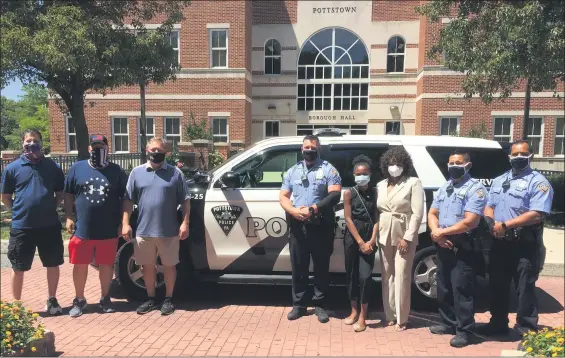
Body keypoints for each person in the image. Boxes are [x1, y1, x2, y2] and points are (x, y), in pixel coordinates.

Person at [477, 140, 553, 338]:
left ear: (531, 156)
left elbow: (537, 213)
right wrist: (491, 222)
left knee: (524, 287)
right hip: (499, 242)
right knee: (497, 285)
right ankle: (498, 323)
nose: (519, 158)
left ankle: (526, 329)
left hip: (524, 244)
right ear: (509, 156)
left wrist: (506, 225)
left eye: (523, 154)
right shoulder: (499, 179)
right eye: (515, 154)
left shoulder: (538, 182)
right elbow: (489, 205)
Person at [121, 137, 190, 315]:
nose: (156, 154)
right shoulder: (136, 173)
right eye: (153, 151)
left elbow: (185, 200)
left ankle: (168, 299)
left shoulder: (175, 174)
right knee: (147, 266)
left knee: (169, 265)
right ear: (146, 150)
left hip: (169, 230)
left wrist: (185, 223)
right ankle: (150, 298)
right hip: (144, 229)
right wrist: (125, 223)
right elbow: (128, 200)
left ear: (165, 152)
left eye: (159, 151)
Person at [427, 149, 487, 347]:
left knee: (462, 289)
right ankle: (448, 323)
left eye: (458, 162)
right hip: (443, 243)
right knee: (443, 287)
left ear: (468, 165)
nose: (453, 166)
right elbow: (432, 213)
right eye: (451, 162)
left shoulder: (475, 189)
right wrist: (437, 232)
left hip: (463, 246)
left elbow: (469, 221)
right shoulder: (446, 186)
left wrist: (441, 233)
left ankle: (465, 330)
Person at [1, 129, 65, 314]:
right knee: (18, 266)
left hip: (49, 226)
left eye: (35, 141)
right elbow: (5, 197)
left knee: (53, 264)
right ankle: (17, 305)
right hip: (22, 227)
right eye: (28, 141)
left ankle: (52, 301)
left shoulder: (52, 167)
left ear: (41, 143)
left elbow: (60, 194)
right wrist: (18, 210)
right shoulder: (12, 168)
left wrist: (48, 206)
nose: (32, 144)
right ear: (23, 144)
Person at [279, 134, 342, 323]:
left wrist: (314, 209)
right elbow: (283, 196)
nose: (309, 150)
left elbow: (335, 195)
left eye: (313, 147)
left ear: (318, 149)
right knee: (299, 267)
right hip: (298, 226)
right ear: (301, 149)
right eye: (306, 147)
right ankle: (299, 305)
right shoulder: (292, 171)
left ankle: (320, 305)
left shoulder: (329, 170)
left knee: (321, 267)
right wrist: (293, 211)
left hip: (321, 225)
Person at [64, 135, 128, 317]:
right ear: (89, 148)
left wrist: (123, 222)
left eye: (101, 145)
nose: (97, 149)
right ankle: (79, 299)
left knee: (106, 265)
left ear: (108, 148)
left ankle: (105, 298)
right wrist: (69, 216)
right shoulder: (77, 168)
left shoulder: (116, 171)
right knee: (80, 264)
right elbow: (68, 194)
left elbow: (126, 198)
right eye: (94, 146)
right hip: (83, 228)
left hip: (108, 228)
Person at [376, 146, 424, 331]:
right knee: (387, 276)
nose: (394, 166)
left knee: (402, 275)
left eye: (397, 163)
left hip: (404, 235)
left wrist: (408, 237)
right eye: (390, 163)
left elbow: (417, 213)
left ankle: (402, 319)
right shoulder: (380, 185)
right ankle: (390, 315)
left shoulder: (413, 183)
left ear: (404, 164)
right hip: (384, 234)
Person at [343, 155, 378, 332]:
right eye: (358, 173)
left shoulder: (377, 192)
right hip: (352, 237)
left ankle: (364, 315)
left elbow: (377, 218)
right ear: (354, 175)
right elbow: (348, 218)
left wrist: (371, 240)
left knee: (365, 277)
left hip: (369, 236)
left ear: (370, 174)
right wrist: (359, 241)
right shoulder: (349, 192)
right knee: (351, 274)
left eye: (364, 173)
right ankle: (354, 310)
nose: (361, 176)